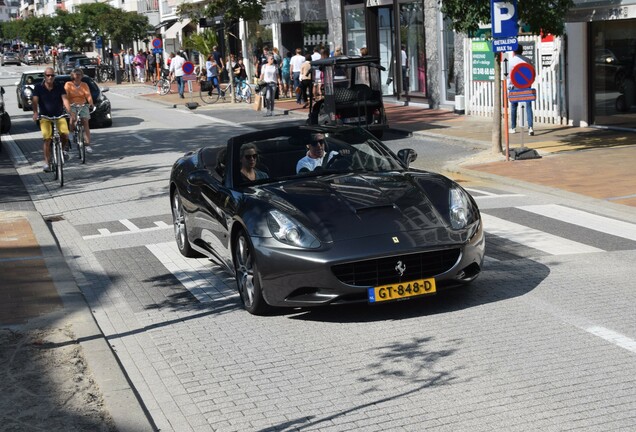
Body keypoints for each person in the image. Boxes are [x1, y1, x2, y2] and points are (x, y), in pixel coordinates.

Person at [31, 67, 71, 172]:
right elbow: (35, 101)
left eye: (52, 75)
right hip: (45, 117)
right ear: (44, 76)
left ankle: (62, 150)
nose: (50, 77)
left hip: (59, 115)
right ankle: (47, 162)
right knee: (47, 139)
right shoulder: (38, 87)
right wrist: (35, 113)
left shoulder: (59, 86)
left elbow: (65, 100)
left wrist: (70, 112)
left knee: (65, 134)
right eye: (48, 75)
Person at [64, 68, 94, 154]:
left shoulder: (84, 85)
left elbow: (88, 95)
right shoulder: (68, 84)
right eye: (76, 74)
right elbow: (66, 95)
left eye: (79, 74)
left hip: (82, 104)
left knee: (85, 121)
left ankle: (87, 144)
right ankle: (71, 132)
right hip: (72, 105)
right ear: (72, 75)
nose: (77, 76)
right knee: (73, 118)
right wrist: (66, 105)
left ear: (81, 76)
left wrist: (91, 103)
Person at [508, 45, 534, 136]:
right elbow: (532, 72)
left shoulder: (511, 61)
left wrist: (509, 86)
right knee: (528, 106)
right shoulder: (527, 60)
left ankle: (513, 127)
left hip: (516, 85)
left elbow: (510, 76)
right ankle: (530, 128)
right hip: (527, 85)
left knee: (514, 106)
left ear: (514, 52)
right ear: (522, 51)